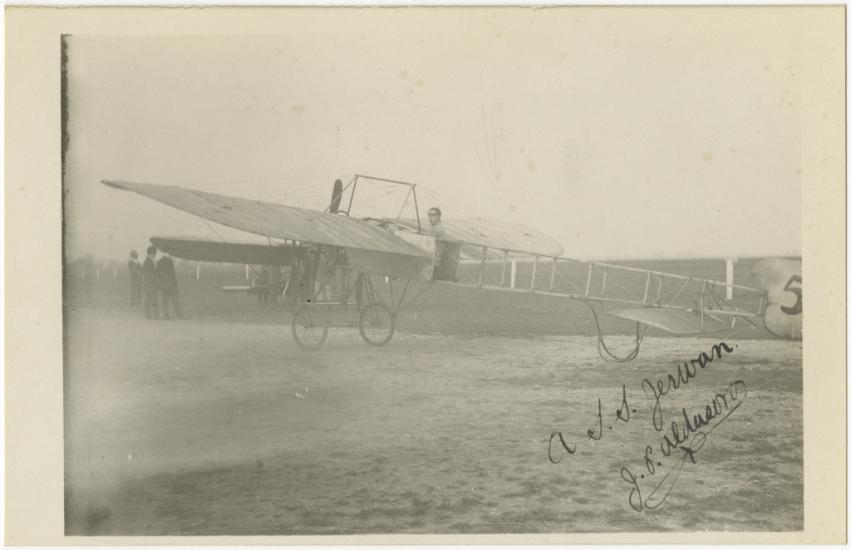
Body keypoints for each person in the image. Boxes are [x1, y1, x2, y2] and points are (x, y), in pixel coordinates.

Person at [427, 206, 460, 281]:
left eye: (433, 215)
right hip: (434, 257)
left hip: (435, 259)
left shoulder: (438, 228)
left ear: (438, 216)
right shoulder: (433, 227)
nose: (430, 217)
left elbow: (432, 242)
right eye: (429, 215)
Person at [156, 249, 185, 320]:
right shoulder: (169, 261)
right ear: (169, 252)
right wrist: (174, 284)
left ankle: (167, 316)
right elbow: (171, 274)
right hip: (171, 284)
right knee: (174, 300)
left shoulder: (160, 261)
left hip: (165, 285)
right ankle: (179, 316)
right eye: (170, 252)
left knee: (165, 301)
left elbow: (159, 274)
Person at [141, 245, 159, 319]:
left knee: (149, 299)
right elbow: (150, 275)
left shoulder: (148, 261)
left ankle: (149, 314)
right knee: (152, 299)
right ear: (151, 253)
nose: (155, 254)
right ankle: (152, 315)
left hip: (149, 284)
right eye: (154, 253)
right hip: (150, 284)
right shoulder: (148, 262)